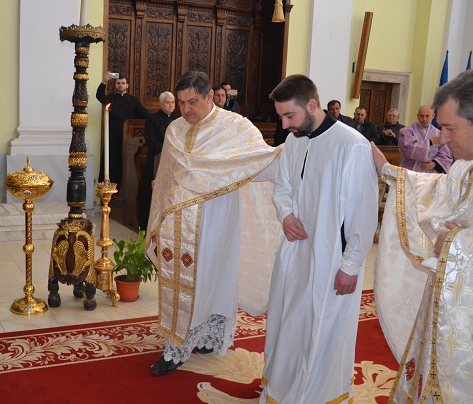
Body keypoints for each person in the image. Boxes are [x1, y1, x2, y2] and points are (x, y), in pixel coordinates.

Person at [146, 71, 282, 376]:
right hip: (176, 223)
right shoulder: (174, 130)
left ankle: (207, 335)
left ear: (210, 96)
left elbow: (259, 164)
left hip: (216, 220)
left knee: (214, 277)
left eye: (192, 101)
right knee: (178, 284)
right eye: (181, 102)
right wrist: (158, 219)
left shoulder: (235, 127)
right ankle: (176, 347)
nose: (186, 109)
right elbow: (168, 178)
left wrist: (295, 155)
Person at [260, 74, 378, 403]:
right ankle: (281, 392)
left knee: (322, 332)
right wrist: (286, 215)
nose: (284, 125)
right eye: (281, 116)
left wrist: (352, 265)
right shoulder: (295, 140)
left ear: (312, 106)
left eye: (289, 116)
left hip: (330, 261)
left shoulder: (352, 145)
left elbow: (364, 212)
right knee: (288, 325)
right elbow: (282, 187)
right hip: (295, 253)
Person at [373, 69, 473, 403]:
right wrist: (388, 171)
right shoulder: (464, 165)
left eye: (449, 128)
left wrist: (457, 243)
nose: (441, 139)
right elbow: (436, 192)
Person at [96, 72, 149, 184]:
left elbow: (145, 114)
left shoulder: (133, 100)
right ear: (115, 85)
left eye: (123, 83)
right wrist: (104, 82)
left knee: (125, 164)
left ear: (127, 86)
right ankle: (109, 190)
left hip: (128, 138)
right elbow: (99, 96)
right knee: (111, 163)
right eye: (118, 83)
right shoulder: (111, 98)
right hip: (112, 137)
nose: (121, 85)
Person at [139, 91, 179, 230]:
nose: (171, 105)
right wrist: (167, 150)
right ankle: (148, 226)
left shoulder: (179, 119)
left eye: (173, 102)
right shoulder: (152, 119)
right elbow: (151, 141)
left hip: (174, 162)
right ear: (161, 104)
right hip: (156, 160)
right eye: (168, 102)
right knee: (152, 194)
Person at [398, 104, 453, 173]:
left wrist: (435, 163)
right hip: (409, 171)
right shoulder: (406, 132)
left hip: (429, 174)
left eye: (427, 116)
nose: (424, 119)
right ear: (417, 116)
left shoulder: (439, 134)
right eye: (421, 116)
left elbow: (446, 154)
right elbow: (407, 148)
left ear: (433, 116)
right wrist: (430, 142)